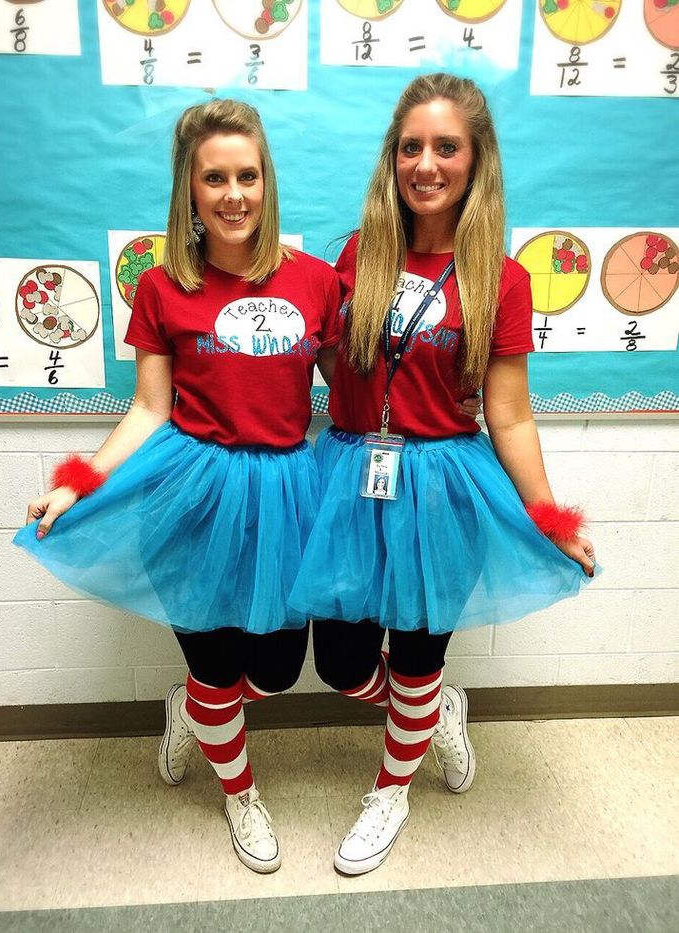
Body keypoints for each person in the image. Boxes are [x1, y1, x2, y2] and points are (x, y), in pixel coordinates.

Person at [14, 99, 343, 874]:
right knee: (215, 666)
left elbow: (347, 386)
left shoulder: (316, 282)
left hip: (288, 492)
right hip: (194, 494)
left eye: (247, 176)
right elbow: (147, 408)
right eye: (215, 178)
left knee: (275, 671)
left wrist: (439, 404)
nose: (234, 194)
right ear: (189, 188)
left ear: (267, 181)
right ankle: (240, 792)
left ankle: (193, 707)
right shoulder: (163, 288)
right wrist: (78, 483)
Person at [288, 73, 597, 876]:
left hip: (441, 485)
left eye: (446, 147)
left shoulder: (503, 278)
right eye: (411, 147)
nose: (425, 164)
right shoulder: (358, 254)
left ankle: (393, 788)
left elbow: (511, 414)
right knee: (342, 663)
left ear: (476, 159)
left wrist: (549, 517)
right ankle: (432, 710)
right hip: (353, 472)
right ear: (392, 158)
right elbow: (338, 361)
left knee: (420, 654)